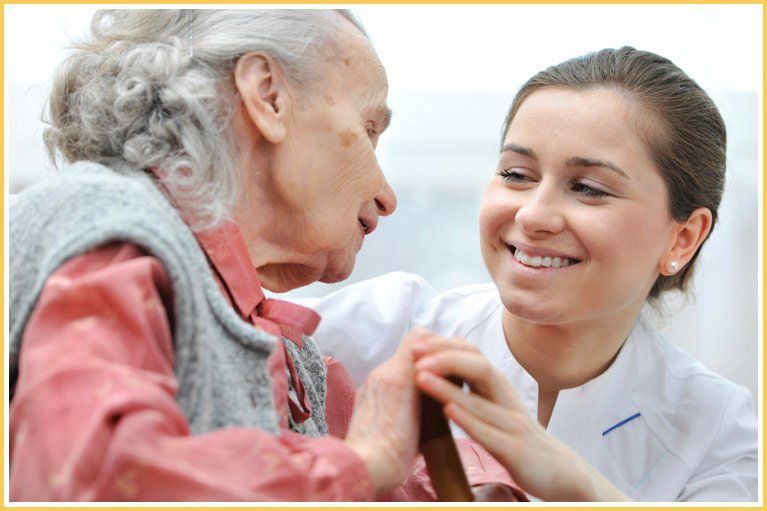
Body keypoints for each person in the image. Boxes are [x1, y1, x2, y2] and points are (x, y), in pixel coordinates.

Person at [8, 9, 520, 501]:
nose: (388, 196)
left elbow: (385, 476)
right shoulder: (103, 227)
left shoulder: (287, 353)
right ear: (268, 96)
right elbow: (96, 481)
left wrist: (483, 480)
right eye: (368, 130)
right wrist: (363, 462)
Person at [296, 47, 758, 501]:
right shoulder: (380, 329)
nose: (534, 215)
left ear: (683, 238)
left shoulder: (717, 431)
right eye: (516, 174)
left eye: (589, 189)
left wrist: (575, 484)